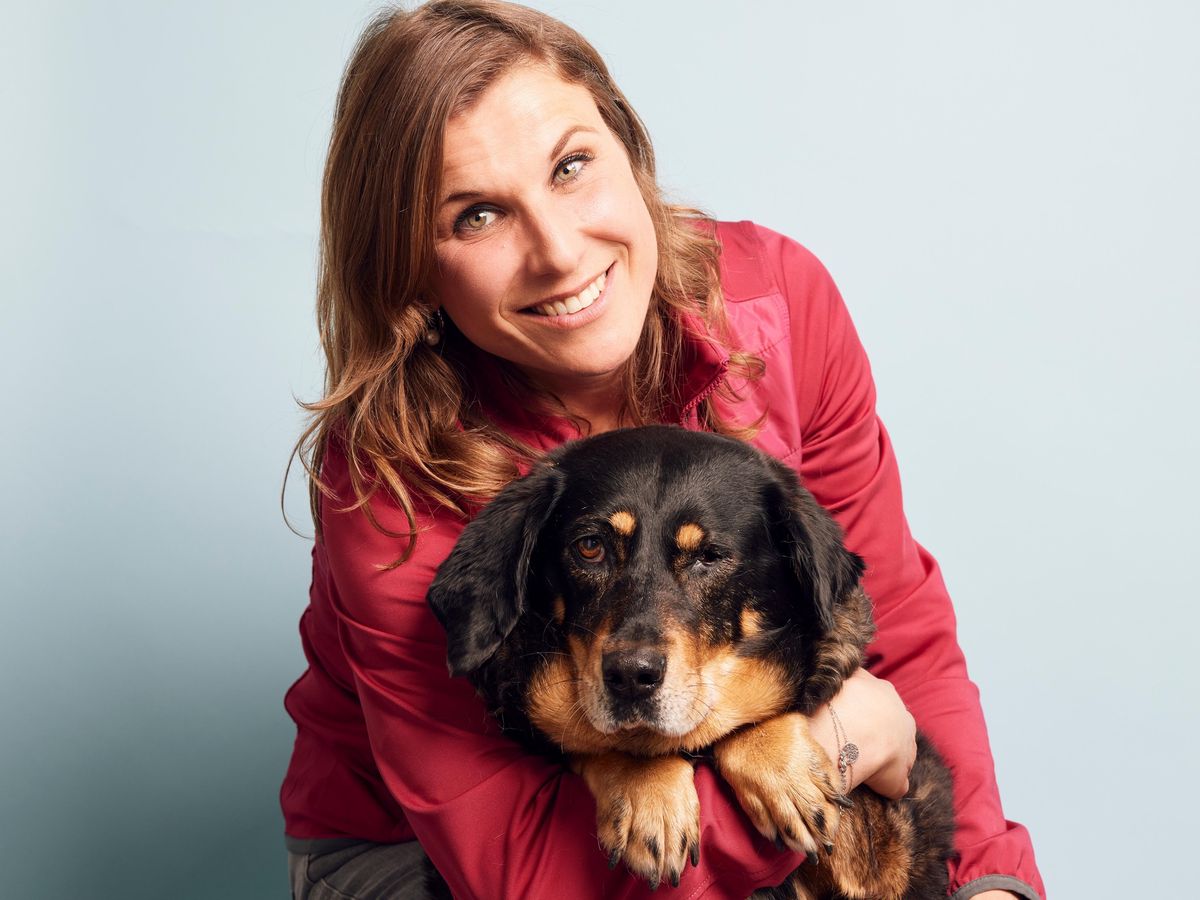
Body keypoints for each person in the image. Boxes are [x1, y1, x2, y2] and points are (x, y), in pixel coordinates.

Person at [279, 2, 1044, 898]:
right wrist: (839, 749)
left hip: (733, 771)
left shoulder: (780, 304)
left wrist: (989, 880)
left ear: (629, 150)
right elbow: (521, 872)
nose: (560, 255)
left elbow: (899, 630)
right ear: (413, 266)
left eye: (571, 166)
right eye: (479, 215)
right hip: (431, 855)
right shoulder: (386, 475)